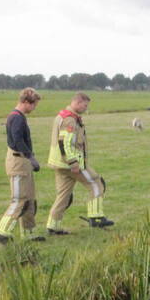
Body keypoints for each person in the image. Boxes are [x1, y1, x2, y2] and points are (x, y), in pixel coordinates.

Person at [45, 92, 114, 234]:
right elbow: (65, 143)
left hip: (59, 164)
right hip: (71, 164)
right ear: (77, 102)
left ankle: (53, 226)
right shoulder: (70, 120)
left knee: (63, 195)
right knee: (96, 183)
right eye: (85, 105)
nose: (86, 108)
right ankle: (96, 217)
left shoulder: (62, 115)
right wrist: (73, 162)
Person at [0, 88, 44, 243]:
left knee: (29, 199)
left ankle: (29, 233)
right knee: (19, 199)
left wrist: (30, 159)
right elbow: (17, 140)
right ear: (26, 102)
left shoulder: (19, 117)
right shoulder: (17, 118)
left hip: (23, 161)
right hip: (18, 161)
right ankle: (2, 232)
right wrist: (30, 156)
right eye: (34, 105)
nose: (34, 108)